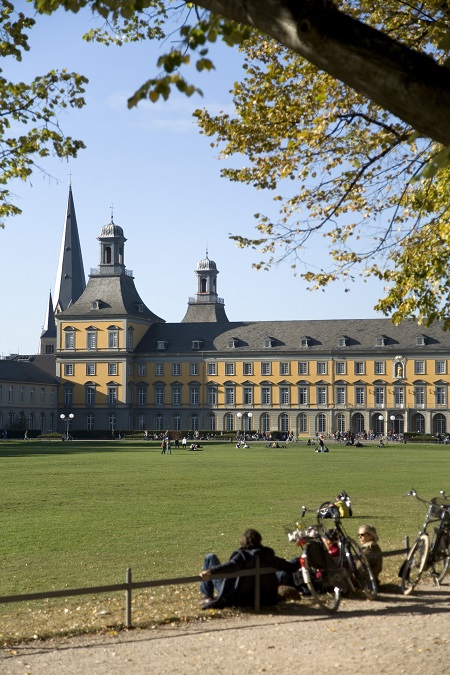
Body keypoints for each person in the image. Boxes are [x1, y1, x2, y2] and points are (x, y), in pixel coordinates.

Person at [199, 528, 298, 610]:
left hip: (238, 595)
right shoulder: (267, 555)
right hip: (263, 596)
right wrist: (302, 558)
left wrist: (211, 571)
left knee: (210, 558)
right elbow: (288, 566)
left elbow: (231, 566)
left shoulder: (242, 556)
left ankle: (207, 596)